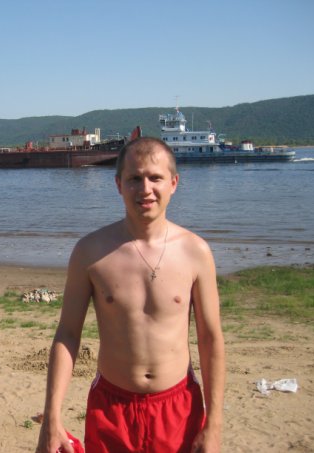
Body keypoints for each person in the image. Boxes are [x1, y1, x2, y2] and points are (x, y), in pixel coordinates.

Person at [36, 137, 225, 453]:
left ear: (174, 183)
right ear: (118, 184)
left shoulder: (195, 252)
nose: (145, 189)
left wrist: (214, 425)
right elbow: (67, 334)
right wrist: (52, 419)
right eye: (134, 178)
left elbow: (211, 339)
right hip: (112, 406)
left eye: (155, 178)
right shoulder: (91, 251)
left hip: (178, 406)